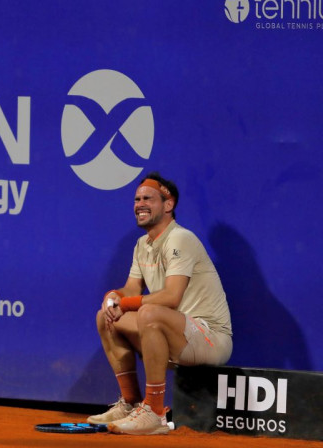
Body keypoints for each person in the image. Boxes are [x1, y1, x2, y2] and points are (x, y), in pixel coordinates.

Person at [88, 172, 232, 435]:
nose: (140, 204)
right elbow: (130, 289)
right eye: (137, 199)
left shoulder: (180, 238)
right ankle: (130, 403)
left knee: (149, 313)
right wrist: (112, 298)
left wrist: (127, 303)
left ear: (168, 205)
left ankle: (154, 412)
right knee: (105, 317)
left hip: (210, 338)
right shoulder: (142, 244)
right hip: (175, 333)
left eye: (148, 198)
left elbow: (171, 296)